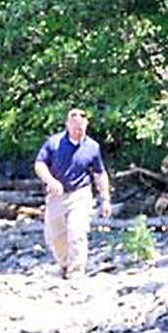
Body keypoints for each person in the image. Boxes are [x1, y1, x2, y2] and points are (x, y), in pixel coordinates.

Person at [34, 108, 112, 279]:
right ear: (68, 124)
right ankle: (64, 265)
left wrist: (105, 199)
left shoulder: (92, 146)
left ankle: (76, 272)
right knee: (56, 236)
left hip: (81, 194)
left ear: (86, 125)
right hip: (57, 195)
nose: (79, 130)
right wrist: (50, 180)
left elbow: (100, 173)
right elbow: (39, 164)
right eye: (75, 126)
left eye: (82, 127)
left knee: (77, 233)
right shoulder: (54, 143)